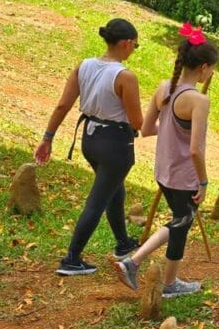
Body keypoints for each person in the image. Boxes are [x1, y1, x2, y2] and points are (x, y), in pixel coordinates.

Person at [114, 24, 216, 297]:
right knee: (182, 221)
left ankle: (170, 283)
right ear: (204, 68)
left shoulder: (164, 88)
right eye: (212, 70)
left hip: (163, 170)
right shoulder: (198, 100)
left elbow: (146, 129)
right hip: (184, 175)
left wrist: (171, 129)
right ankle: (133, 262)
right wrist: (203, 182)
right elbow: (196, 150)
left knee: (181, 221)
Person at [35, 18, 143, 276]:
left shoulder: (83, 66)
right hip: (115, 143)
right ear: (126, 44)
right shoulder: (124, 77)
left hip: (89, 139)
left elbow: (63, 105)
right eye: (135, 46)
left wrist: (48, 137)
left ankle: (123, 243)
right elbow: (137, 121)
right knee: (98, 199)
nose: (134, 50)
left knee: (114, 191)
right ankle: (72, 258)